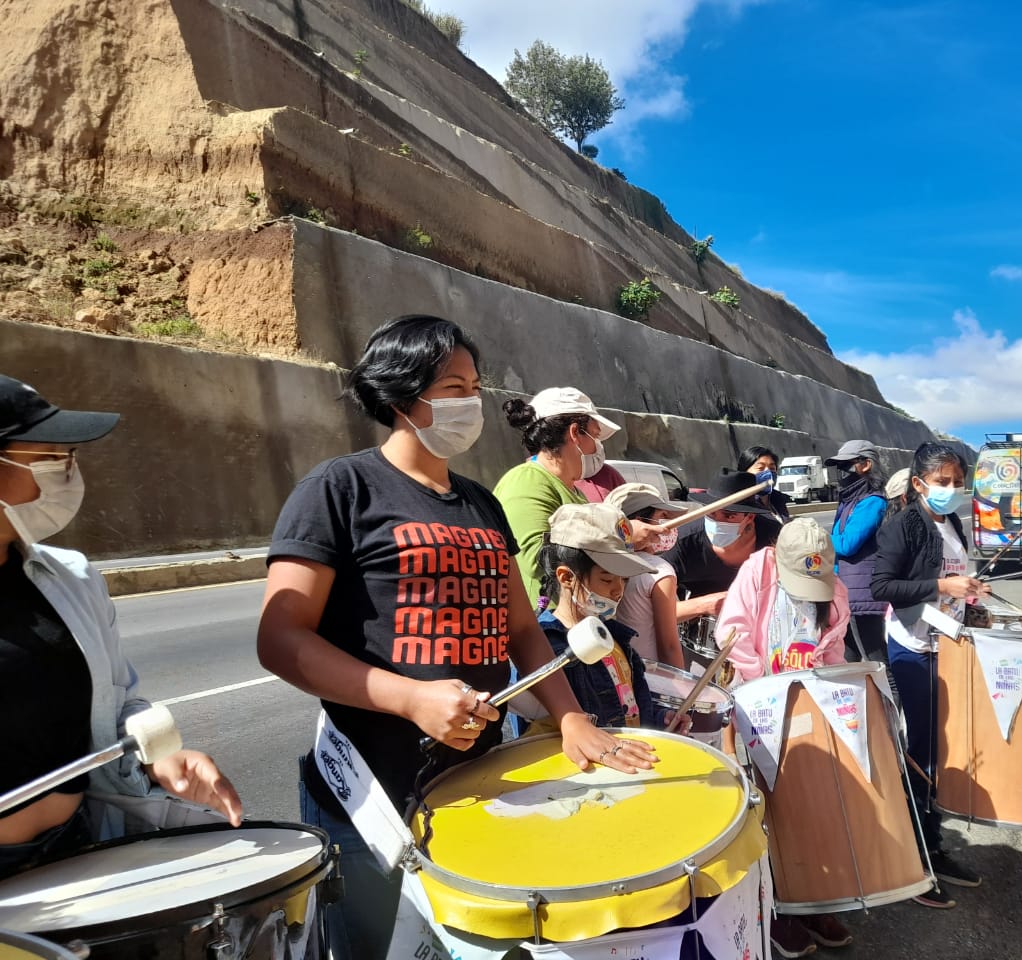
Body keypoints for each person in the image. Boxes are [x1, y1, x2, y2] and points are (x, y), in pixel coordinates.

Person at [257, 317, 657, 960]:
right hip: (366, 785)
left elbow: (523, 629)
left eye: (473, 385)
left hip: (476, 770)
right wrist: (409, 699)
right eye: (451, 386)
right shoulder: (338, 489)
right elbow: (280, 637)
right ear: (399, 397)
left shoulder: (481, 504)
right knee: (372, 946)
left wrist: (572, 716)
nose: (469, 401)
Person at [0, 376, 242, 880]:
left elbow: (112, 709)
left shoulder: (72, 578)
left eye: (69, 456)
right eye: (48, 457)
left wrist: (158, 758)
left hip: (79, 846)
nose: (68, 472)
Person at [714, 518, 852, 957]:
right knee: (766, 815)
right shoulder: (757, 570)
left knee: (808, 811)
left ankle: (811, 898)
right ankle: (773, 910)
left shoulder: (836, 589)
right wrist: (762, 688)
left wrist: (825, 690)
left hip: (807, 707)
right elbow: (732, 636)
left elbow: (833, 646)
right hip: (760, 706)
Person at [870, 442, 990, 909]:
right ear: (919, 484)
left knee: (945, 746)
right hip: (913, 648)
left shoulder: (953, 522)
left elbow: (955, 580)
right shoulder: (902, 525)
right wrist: (942, 585)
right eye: (943, 482)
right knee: (921, 748)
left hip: (951, 647)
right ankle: (914, 853)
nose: (952, 490)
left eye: (958, 482)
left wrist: (971, 592)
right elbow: (884, 586)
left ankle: (934, 844)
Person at [528, 502, 691, 734]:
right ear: (566, 577)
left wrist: (659, 721)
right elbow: (541, 731)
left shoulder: (617, 638)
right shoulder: (545, 648)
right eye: (607, 580)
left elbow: (630, 708)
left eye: (624, 580)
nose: (618, 591)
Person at [495, 387, 659, 607]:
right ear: (575, 433)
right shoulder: (527, 480)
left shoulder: (574, 491)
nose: (599, 448)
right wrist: (620, 537)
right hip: (547, 628)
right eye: (596, 435)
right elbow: (535, 560)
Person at [663, 471, 783, 623]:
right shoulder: (681, 541)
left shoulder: (775, 538)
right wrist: (705, 605)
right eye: (711, 513)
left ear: (750, 517)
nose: (717, 521)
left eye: (729, 516)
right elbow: (657, 613)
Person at [605, 482, 686, 665]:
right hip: (649, 676)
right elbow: (669, 648)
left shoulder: (603, 563)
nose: (667, 528)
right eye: (662, 517)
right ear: (640, 522)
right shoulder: (659, 572)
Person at [826, 440, 889, 665]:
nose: (842, 472)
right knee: (847, 655)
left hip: (862, 594)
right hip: (848, 588)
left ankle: (894, 700)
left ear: (866, 464)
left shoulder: (872, 501)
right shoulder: (850, 499)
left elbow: (847, 544)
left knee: (876, 657)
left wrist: (819, 536)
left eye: (847, 465)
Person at [736, 445, 790, 520]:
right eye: (760, 468)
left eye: (772, 468)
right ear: (744, 472)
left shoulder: (778, 500)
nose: (768, 473)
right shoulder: (738, 506)